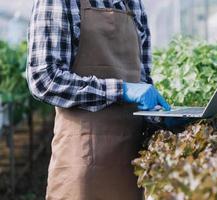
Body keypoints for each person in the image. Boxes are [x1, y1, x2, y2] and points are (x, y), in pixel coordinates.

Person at [26, 0, 190, 199]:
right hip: (82, 164)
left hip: (132, 166)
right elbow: (44, 78)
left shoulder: (133, 5)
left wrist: (161, 118)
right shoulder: (60, 2)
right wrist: (120, 90)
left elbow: (142, 83)